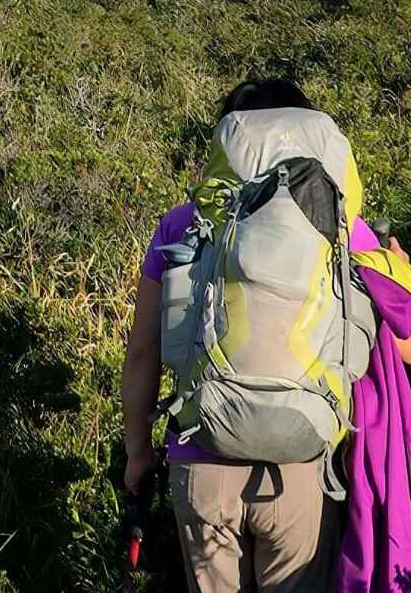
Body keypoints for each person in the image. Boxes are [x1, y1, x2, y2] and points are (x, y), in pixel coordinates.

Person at [123, 79, 367, 593]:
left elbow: (143, 351)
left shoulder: (181, 225)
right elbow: (407, 345)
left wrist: (138, 454)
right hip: (301, 459)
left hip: (203, 453)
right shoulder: (343, 226)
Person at [335, 223, 411, 593]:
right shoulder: (356, 233)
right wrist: (399, 269)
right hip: (361, 432)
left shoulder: (212, 223)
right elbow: (408, 345)